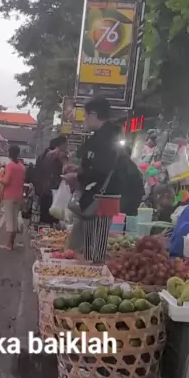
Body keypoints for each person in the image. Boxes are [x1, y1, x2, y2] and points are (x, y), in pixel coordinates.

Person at [76, 96, 121, 263]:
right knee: (91, 243)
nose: (85, 120)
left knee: (97, 246)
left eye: (85, 115)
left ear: (93, 115)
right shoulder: (102, 137)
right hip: (97, 194)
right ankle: (90, 266)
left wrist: (79, 176)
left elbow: (101, 169)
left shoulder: (106, 139)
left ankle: (94, 271)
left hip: (103, 195)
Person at [35, 135, 68, 224]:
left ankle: (43, 231)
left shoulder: (44, 154)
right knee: (53, 218)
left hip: (44, 190)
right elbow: (65, 170)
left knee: (44, 218)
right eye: (66, 145)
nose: (66, 147)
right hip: (54, 191)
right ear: (61, 145)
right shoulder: (58, 154)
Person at [0, 144, 26, 250]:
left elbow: (6, 181)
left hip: (9, 195)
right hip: (19, 195)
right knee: (14, 219)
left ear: (9, 153)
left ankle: (9, 245)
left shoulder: (10, 166)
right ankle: (12, 243)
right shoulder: (22, 167)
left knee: (9, 220)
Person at [118, 146, 144, 216]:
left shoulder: (121, 164)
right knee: (129, 218)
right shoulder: (134, 163)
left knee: (119, 218)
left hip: (125, 199)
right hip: (134, 197)